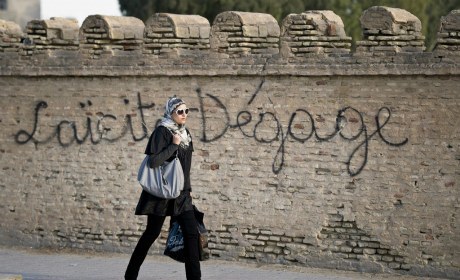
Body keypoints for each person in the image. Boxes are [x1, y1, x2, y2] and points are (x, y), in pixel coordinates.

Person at [125, 97, 201, 280]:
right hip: (162, 192)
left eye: (186, 111)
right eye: (179, 111)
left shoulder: (186, 133)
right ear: (170, 113)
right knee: (152, 233)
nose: (184, 115)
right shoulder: (162, 132)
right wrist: (173, 145)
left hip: (181, 194)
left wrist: (188, 189)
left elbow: (185, 165)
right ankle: (130, 275)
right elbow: (153, 161)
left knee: (191, 234)